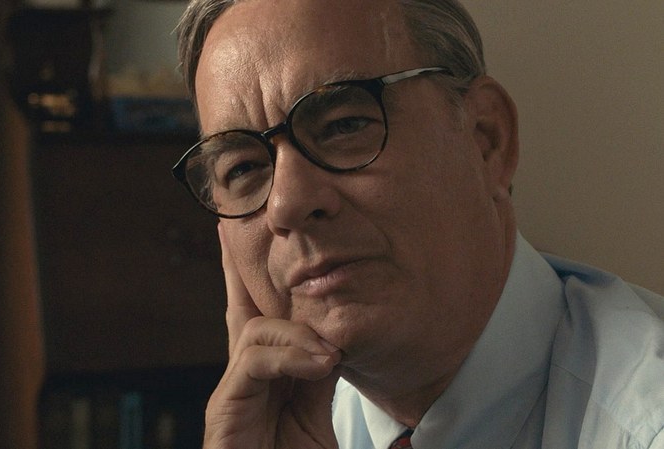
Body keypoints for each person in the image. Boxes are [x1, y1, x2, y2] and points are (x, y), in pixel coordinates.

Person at [170, 0, 664, 447]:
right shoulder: (285, 429)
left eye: (343, 126)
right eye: (243, 168)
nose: (287, 204)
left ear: (485, 140)